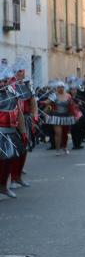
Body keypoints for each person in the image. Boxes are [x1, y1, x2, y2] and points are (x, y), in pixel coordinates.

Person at [0, 66, 26, 198]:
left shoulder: (12, 92)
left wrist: (23, 131)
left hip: (10, 131)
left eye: (4, 81)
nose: (2, 83)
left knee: (9, 158)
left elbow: (19, 114)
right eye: (0, 81)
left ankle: (4, 186)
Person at [11, 61, 38, 188]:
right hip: (11, 122)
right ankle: (12, 179)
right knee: (12, 150)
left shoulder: (28, 86)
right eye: (16, 71)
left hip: (25, 120)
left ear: (24, 72)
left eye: (21, 71)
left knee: (24, 149)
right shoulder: (10, 87)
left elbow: (33, 103)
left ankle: (18, 177)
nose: (19, 73)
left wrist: (35, 116)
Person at [43, 81, 80, 156]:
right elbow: (47, 102)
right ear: (56, 88)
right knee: (58, 133)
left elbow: (72, 107)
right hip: (56, 116)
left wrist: (76, 115)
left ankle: (65, 147)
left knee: (65, 133)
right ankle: (57, 149)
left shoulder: (68, 96)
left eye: (62, 87)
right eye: (59, 87)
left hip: (66, 117)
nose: (60, 88)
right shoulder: (54, 95)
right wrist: (39, 101)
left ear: (64, 87)